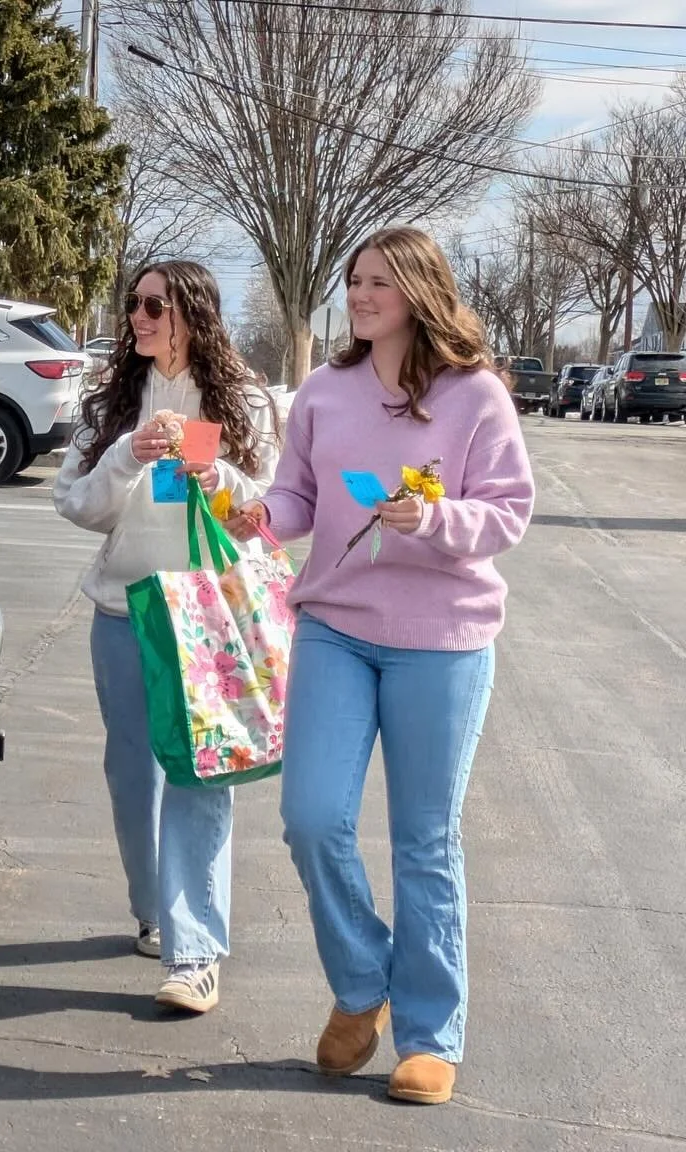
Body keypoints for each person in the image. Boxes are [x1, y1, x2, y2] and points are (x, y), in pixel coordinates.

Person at [226, 226, 534, 1103]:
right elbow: (296, 496)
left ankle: (430, 1035)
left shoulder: (476, 397)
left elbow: (508, 513)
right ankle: (363, 986)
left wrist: (432, 521)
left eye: (377, 283)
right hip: (336, 626)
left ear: (419, 293)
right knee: (312, 815)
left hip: (443, 642)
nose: (359, 296)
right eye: (353, 281)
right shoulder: (324, 390)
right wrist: (252, 512)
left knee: (424, 842)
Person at [54, 260, 281, 1014]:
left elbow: (265, 513)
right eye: (134, 304)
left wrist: (217, 476)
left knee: (199, 779)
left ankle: (194, 953)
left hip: (208, 618)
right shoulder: (115, 403)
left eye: (155, 304)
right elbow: (76, 505)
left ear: (193, 313)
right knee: (133, 776)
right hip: (127, 613)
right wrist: (126, 455)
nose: (140, 317)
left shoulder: (244, 402)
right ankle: (154, 909)